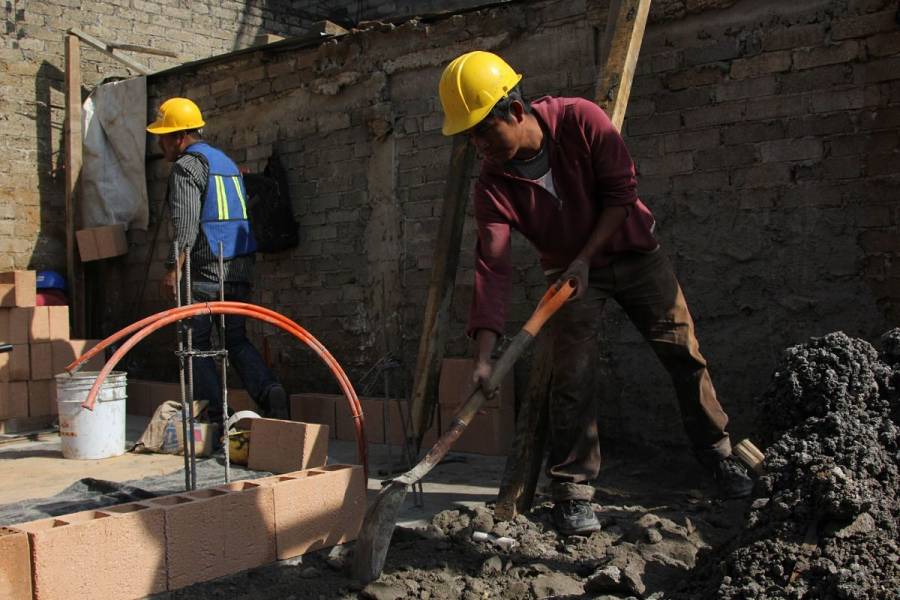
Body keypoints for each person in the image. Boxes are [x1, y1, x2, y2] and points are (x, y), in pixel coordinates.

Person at [438, 51, 753, 536]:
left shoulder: (581, 119)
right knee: (573, 378)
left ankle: (718, 455)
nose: (479, 146)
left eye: (483, 131)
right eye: (470, 136)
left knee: (683, 354)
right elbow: (492, 265)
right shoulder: (493, 186)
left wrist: (585, 258)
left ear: (515, 111)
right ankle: (573, 492)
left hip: (633, 254)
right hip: (569, 278)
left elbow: (621, 195)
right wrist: (484, 355)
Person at [146, 97, 288, 424]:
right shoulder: (224, 162)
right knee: (235, 339)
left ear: (179, 137)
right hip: (239, 268)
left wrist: (173, 268)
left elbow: (185, 223)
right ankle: (269, 390)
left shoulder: (187, 166)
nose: (159, 144)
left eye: (163, 136)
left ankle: (215, 415)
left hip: (205, 271)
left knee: (194, 344)